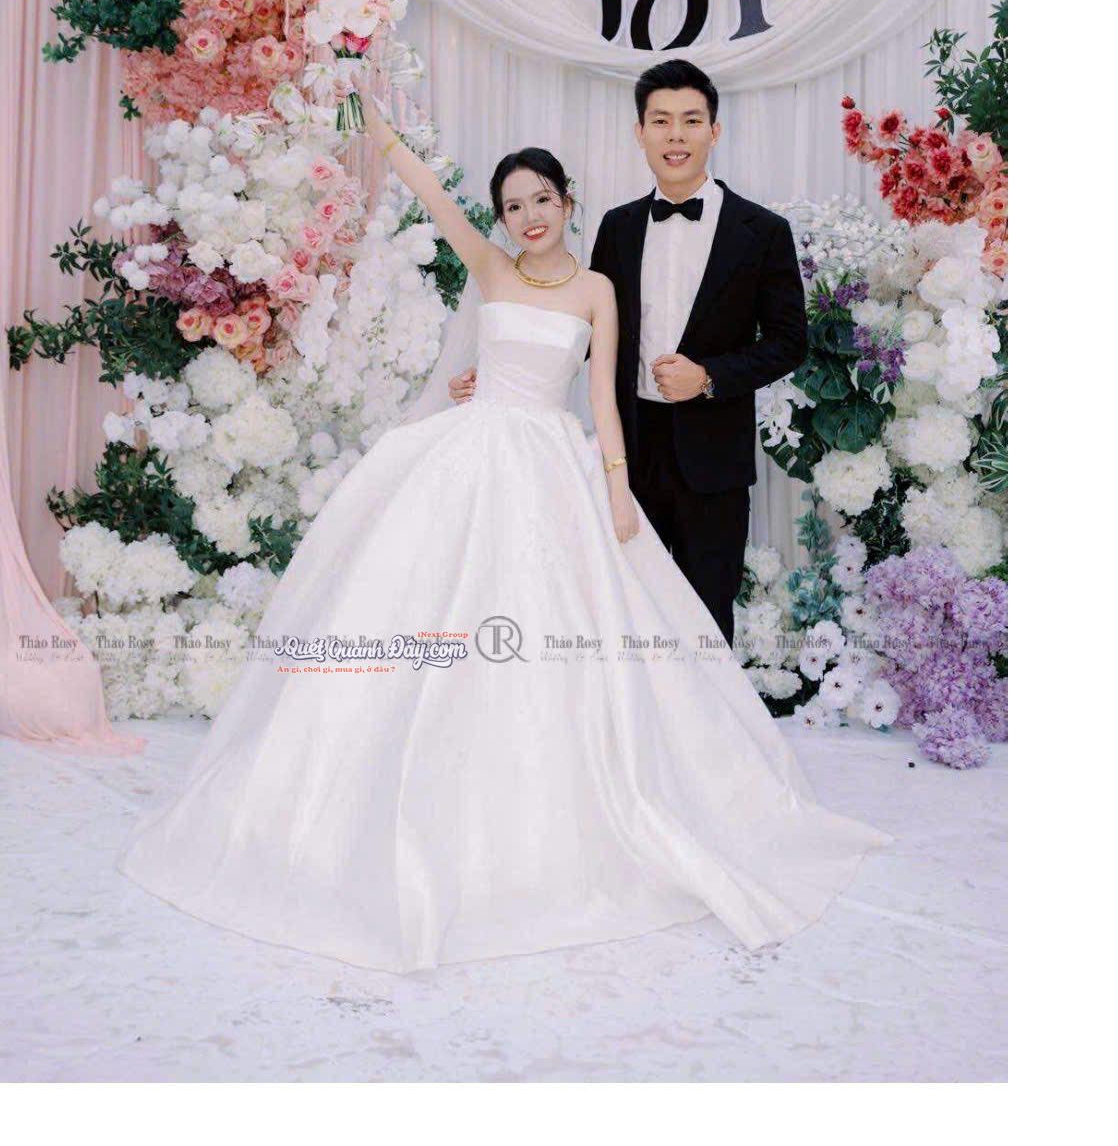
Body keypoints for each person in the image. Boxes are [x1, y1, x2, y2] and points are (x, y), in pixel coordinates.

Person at [118, 68, 891, 974]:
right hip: (472, 456)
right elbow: (436, 202)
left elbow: (604, 392)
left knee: (612, 630)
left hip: (571, 462)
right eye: (513, 205)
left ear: (568, 203)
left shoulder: (602, 283)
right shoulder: (501, 264)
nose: (528, 216)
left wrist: (617, 484)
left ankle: (666, 789)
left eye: (541, 200)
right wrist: (381, 131)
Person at [449, 59, 806, 647]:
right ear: (639, 132)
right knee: (628, 613)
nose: (675, 135)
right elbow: (582, 334)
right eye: (660, 121)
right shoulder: (618, 227)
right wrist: (497, 377)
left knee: (705, 618)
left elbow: (790, 341)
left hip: (712, 457)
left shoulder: (762, 231)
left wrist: (709, 376)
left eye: (690, 120)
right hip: (626, 456)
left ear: (714, 131)